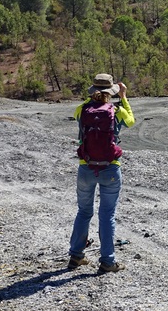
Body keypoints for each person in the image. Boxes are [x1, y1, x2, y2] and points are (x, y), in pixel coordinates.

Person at [68, 73, 135, 273]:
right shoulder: (116, 110)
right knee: (107, 215)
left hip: (86, 166)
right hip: (110, 167)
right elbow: (131, 121)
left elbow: (78, 116)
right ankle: (107, 261)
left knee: (84, 211)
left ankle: (76, 256)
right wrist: (123, 97)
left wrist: (91, 100)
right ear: (111, 91)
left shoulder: (81, 110)